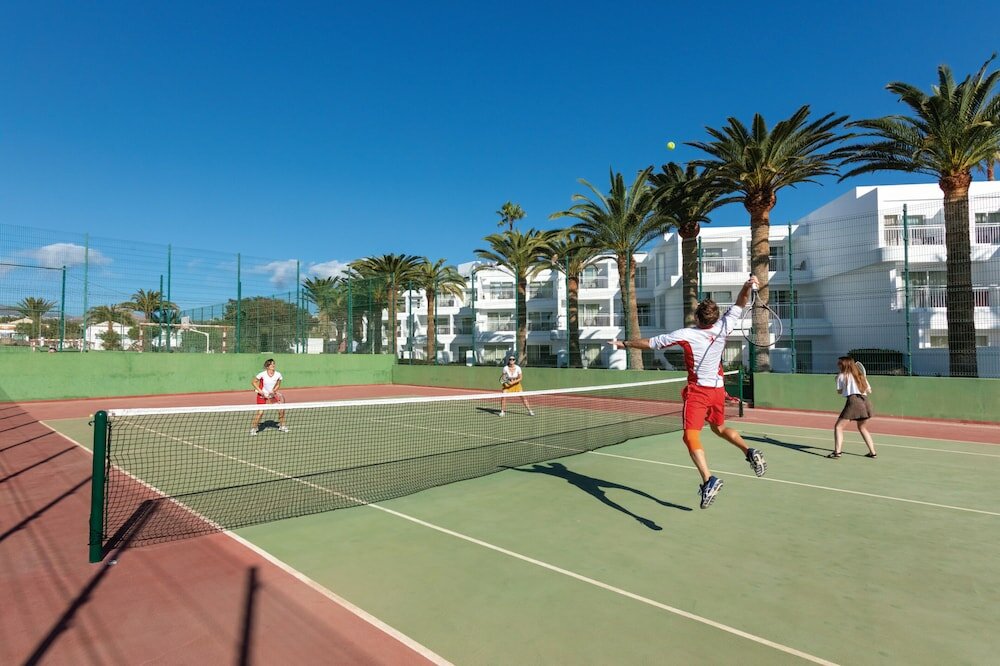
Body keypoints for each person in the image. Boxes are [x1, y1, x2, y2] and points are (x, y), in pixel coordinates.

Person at [610, 276, 766, 509]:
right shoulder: (725, 325)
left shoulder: (686, 334)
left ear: (697, 317)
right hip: (718, 389)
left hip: (699, 392)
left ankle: (708, 479)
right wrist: (746, 286)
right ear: (714, 317)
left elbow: (651, 343)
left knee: (690, 436)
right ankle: (749, 450)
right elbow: (741, 303)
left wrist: (625, 344)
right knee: (719, 428)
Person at [829, 356, 877, 459]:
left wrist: (838, 380)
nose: (838, 365)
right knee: (862, 427)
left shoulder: (841, 376)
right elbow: (869, 391)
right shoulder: (860, 376)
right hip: (866, 402)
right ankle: (872, 453)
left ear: (845, 364)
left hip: (854, 401)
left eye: (840, 363)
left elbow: (839, 392)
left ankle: (837, 452)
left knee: (838, 427)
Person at [250, 358, 288, 435]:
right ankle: (254, 428)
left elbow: (278, 385)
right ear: (267, 366)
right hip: (262, 395)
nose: (273, 365)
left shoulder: (278, 374)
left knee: (281, 410)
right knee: (260, 413)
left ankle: (282, 426)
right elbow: (253, 382)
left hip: (272, 395)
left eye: (273, 364)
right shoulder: (262, 374)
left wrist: (274, 391)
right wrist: (260, 391)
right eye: (271, 364)